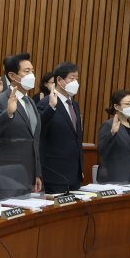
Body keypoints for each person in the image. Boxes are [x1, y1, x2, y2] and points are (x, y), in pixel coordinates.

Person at [0, 53, 42, 202]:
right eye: (26, 71)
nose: (32, 75)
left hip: (27, 177)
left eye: (32, 71)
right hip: (6, 178)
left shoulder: (30, 103)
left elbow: (33, 141)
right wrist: (7, 113)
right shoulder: (0, 101)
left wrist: (37, 172)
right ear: (13, 76)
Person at [37, 61, 84, 193]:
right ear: (59, 80)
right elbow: (39, 129)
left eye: (77, 78)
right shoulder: (46, 103)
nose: (76, 82)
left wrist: (80, 168)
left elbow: (77, 139)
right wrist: (51, 107)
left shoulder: (74, 105)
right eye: (72, 78)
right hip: (55, 175)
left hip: (74, 175)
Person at [97, 90, 130, 183]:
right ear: (116, 106)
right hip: (113, 177)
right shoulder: (108, 125)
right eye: (128, 104)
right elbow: (102, 150)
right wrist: (112, 133)